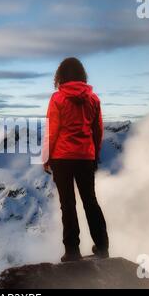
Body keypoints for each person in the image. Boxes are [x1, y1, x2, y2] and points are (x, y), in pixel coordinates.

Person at [43, 57, 109, 262]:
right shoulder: (93, 99)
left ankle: (72, 251)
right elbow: (97, 130)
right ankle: (102, 246)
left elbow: (51, 132)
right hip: (85, 157)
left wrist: (46, 157)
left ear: (60, 76)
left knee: (68, 204)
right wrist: (94, 154)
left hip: (62, 158)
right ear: (82, 75)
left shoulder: (57, 99)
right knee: (90, 201)